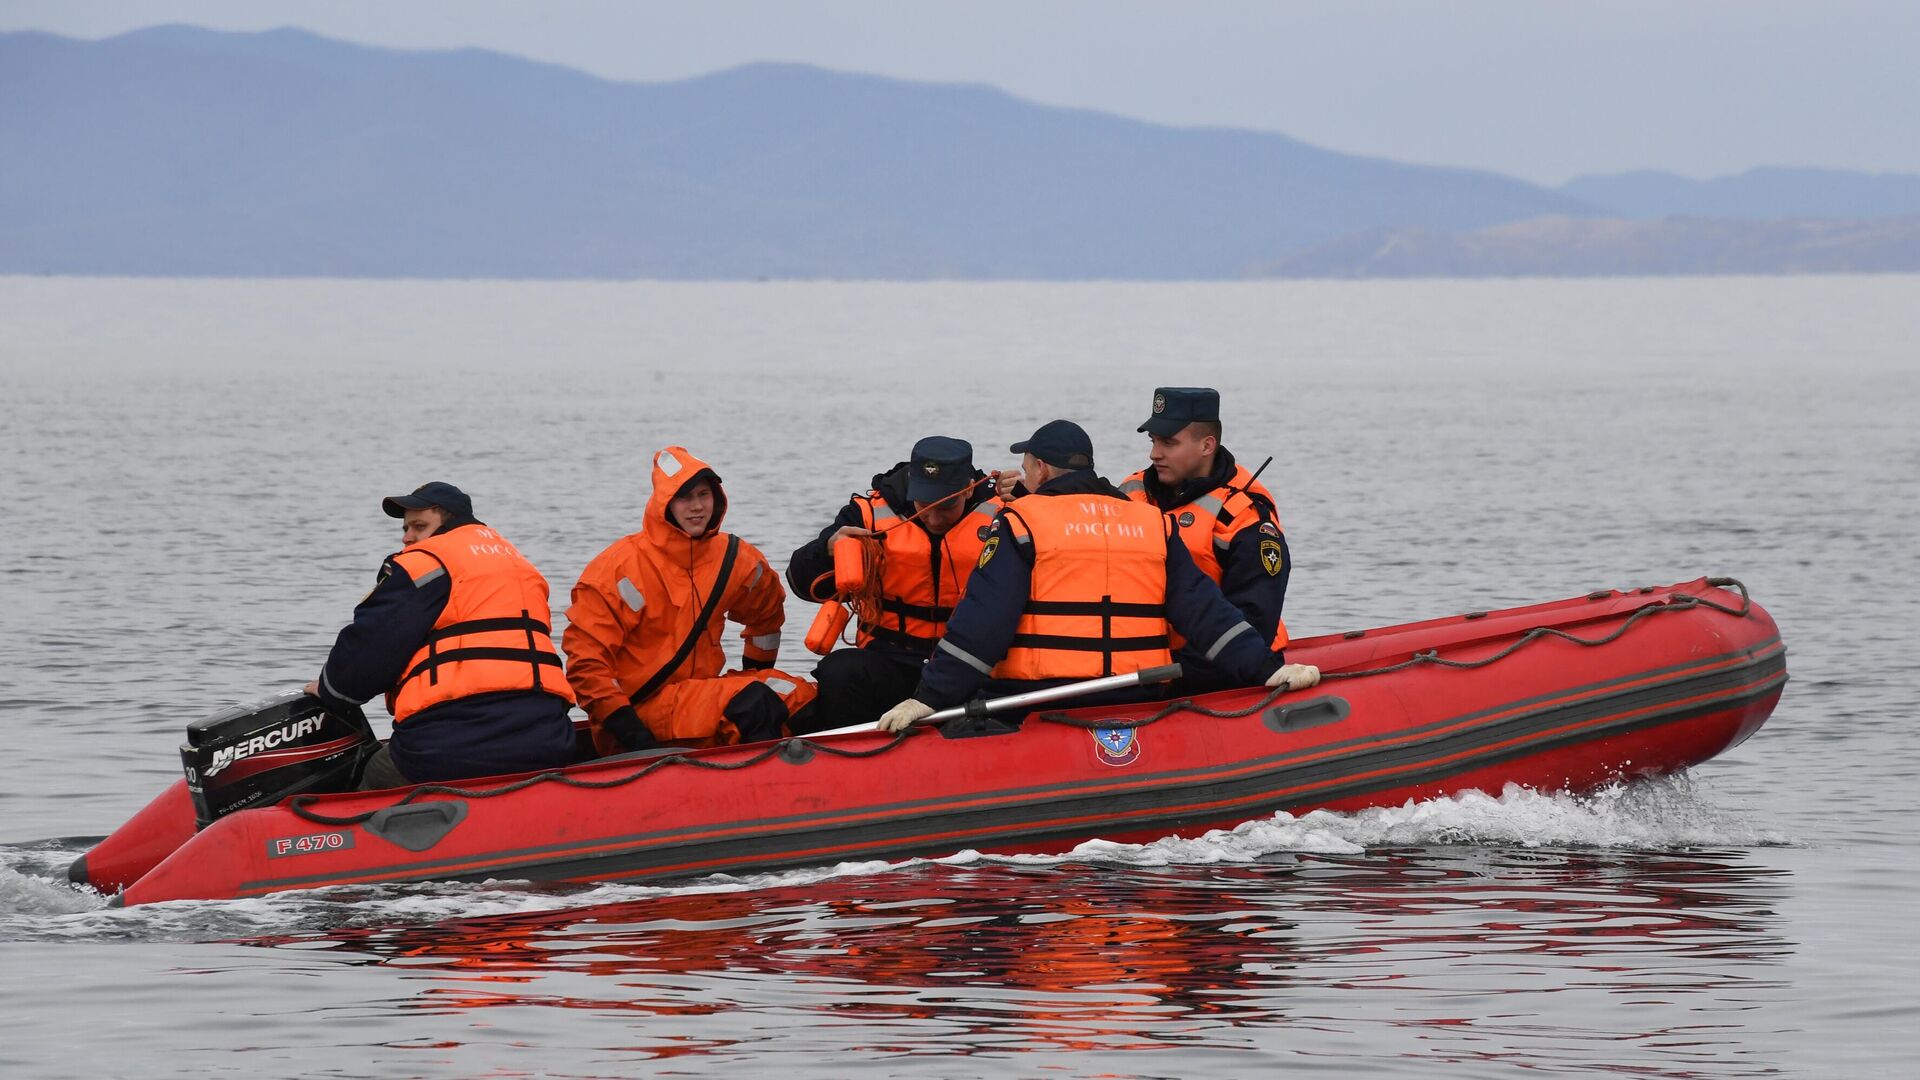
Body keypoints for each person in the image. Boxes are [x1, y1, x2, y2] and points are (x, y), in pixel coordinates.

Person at [876, 421, 1319, 732]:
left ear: (1042, 470)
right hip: (1131, 696)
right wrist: (1265, 669)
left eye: (1028, 467)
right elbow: (1205, 613)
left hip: (1038, 699)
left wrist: (929, 698)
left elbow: (982, 625)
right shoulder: (1150, 522)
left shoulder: (1021, 521)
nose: (1025, 476)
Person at [307, 482, 578, 790]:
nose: (407, 537)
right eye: (406, 527)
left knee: (367, 779)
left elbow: (367, 653)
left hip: (452, 746)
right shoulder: (519, 565)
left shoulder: (425, 563)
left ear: (449, 523)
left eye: (419, 526)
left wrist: (331, 690)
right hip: (548, 739)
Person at [565, 446, 816, 755]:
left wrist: (754, 672)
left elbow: (766, 613)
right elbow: (586, 666)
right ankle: (768, 787)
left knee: (799, 694)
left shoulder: (734, 558)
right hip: (637, 714)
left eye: (703, 495)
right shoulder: (617, 569)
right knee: (754, 702)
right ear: (665, 505)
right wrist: (633, 736)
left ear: (717, 498)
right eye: (685, 498)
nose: (697, 507)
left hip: (699, 698)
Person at [786, 436, 1001, 729]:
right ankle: (852, 759)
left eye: (946, 507)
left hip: (968, 663)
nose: (935, 519)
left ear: (968, 490)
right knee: (839, 671)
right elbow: (800, 584)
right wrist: (826, 549)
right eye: (925, 504)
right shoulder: (867, 514)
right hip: (892, 659)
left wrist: (1031, 495)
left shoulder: (1004, 511)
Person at [1120, 386, 1292, 691]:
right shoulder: (1132, 491)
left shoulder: (1244, 516)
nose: (1154, 453)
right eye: (1153, 441)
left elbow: (1256, 619)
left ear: (1207, 445)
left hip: (1218, 670)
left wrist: (1172, 676)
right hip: (1146, 664)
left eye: (1169, 443)